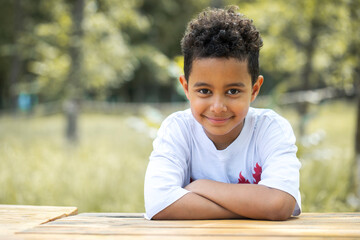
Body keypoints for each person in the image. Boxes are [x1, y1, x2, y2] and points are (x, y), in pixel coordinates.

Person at [144, 6, 301, 221]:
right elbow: (159, 203)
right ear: (186, 87)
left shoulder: (270, 129)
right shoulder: (177, 130)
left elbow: (278, 204)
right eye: (204, 91)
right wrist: (255, 208)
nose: (218, 106)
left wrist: (201, 187)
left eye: (233, 91)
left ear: (254, 89)